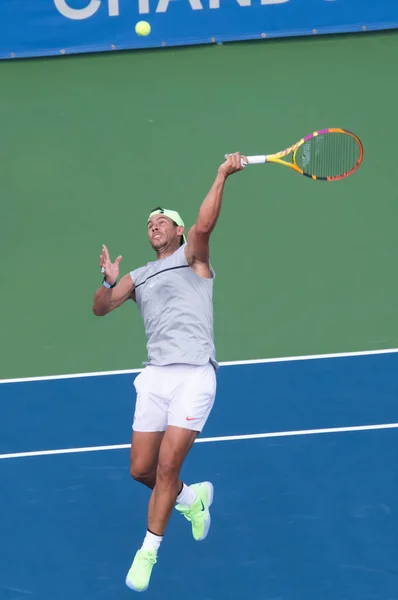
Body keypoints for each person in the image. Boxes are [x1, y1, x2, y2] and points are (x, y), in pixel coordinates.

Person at [92, 152, 247, 592]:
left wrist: (221, 175)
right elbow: (101, 309)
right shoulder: (138, 277)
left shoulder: (194, 257)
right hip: (156, 376)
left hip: (195, 375)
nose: (154, 224)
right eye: (149, 222)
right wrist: (108, 281)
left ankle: (148, 551)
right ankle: (191, 499)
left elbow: (205, 226)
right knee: (140, 469)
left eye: (163, 220)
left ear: (179, 231)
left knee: (165, 466)